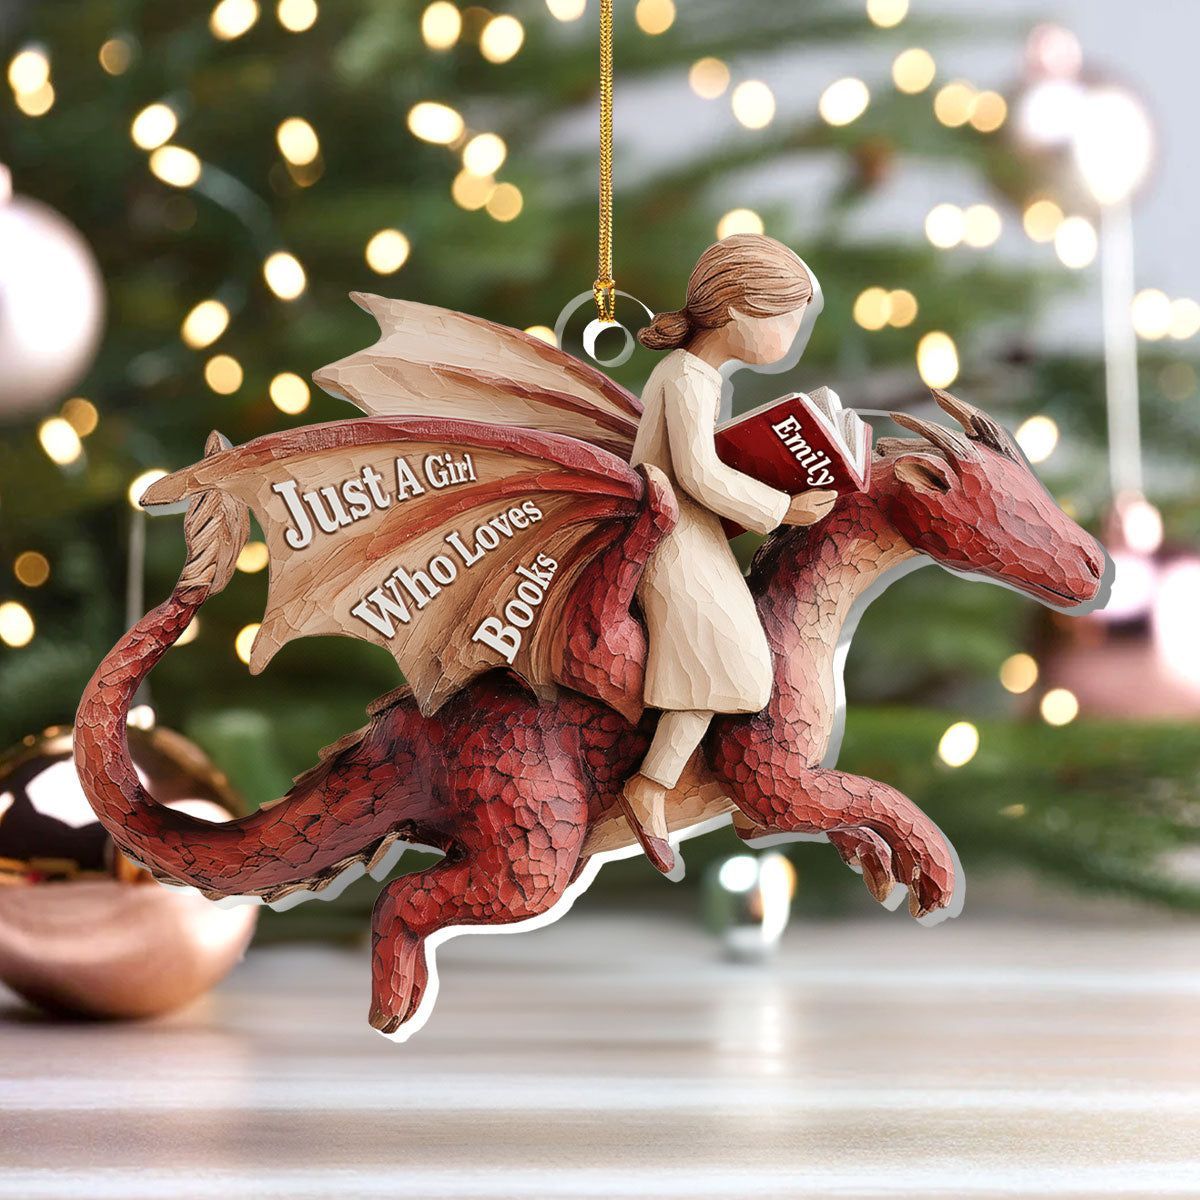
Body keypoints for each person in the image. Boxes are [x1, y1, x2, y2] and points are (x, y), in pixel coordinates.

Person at [622, 234, 836, 876]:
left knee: (737, 662)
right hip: (670, 537)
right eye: (786, 320)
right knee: (729, 660)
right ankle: (651, 785)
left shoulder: (696, 375)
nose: (792, 338)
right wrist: (783, 507)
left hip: (693, 531)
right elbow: (696, 473)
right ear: (740, 308)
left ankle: (698, 787)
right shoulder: (688, 376)